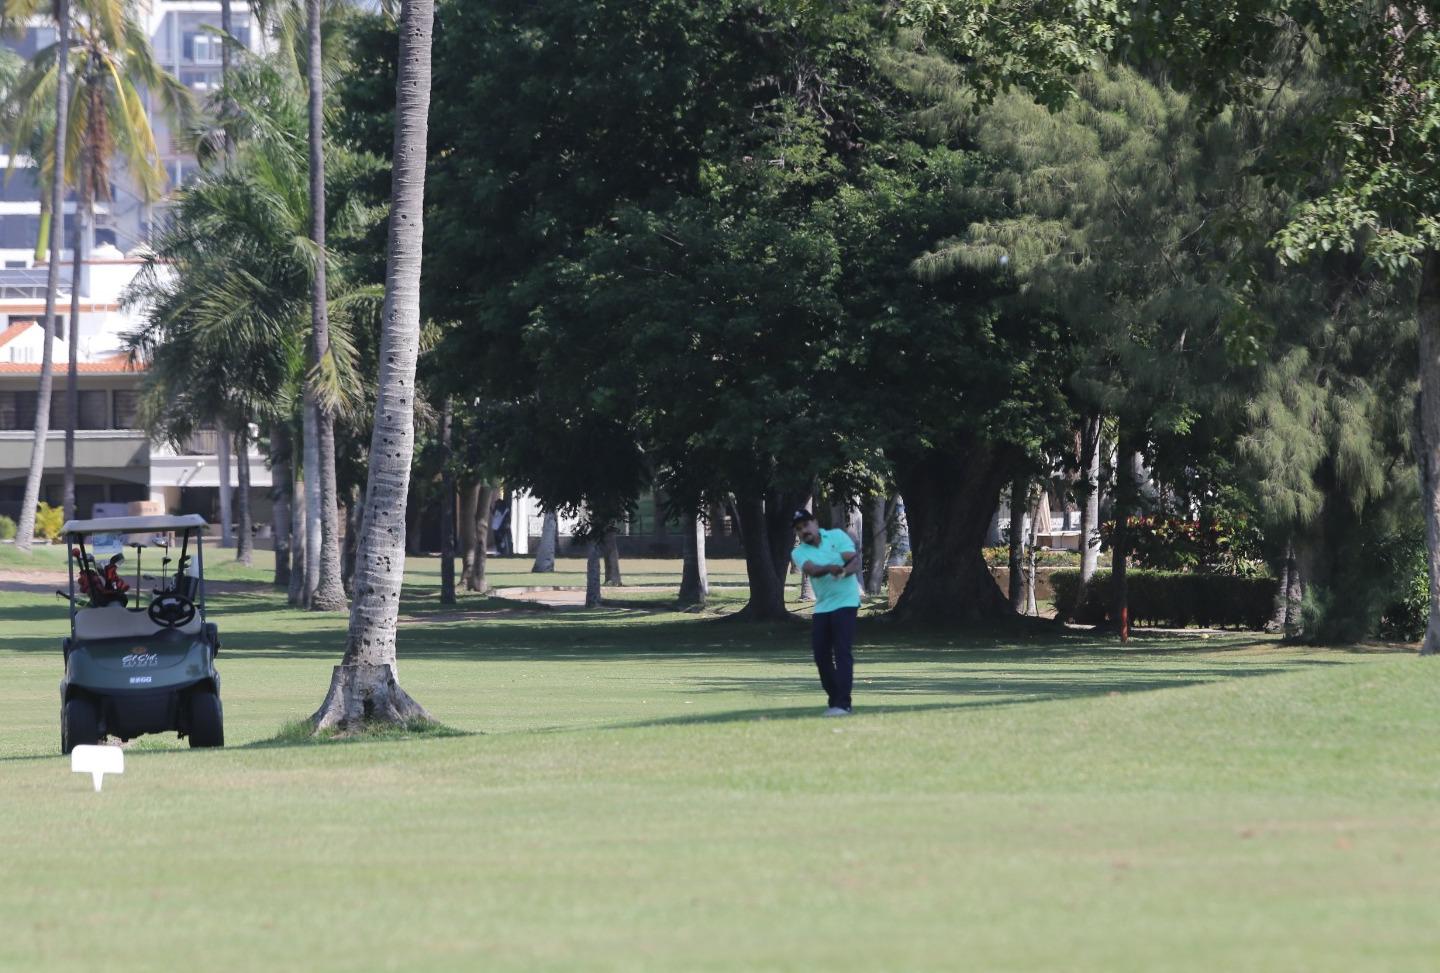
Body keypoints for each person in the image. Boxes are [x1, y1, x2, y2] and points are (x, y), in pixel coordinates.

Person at [790, 509, 862, 716]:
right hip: (823, 606)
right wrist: (831, 567)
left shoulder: (837, 536)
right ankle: (835, 700)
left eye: (806, 525)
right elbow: (812, 570)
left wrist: (845, 571)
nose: (804, 531)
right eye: (799, 529)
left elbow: (854, 560)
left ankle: (843, 704)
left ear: (815, 522)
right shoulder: (799, 552)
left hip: (846, 602)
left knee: (842, 652)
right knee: (821, 655)